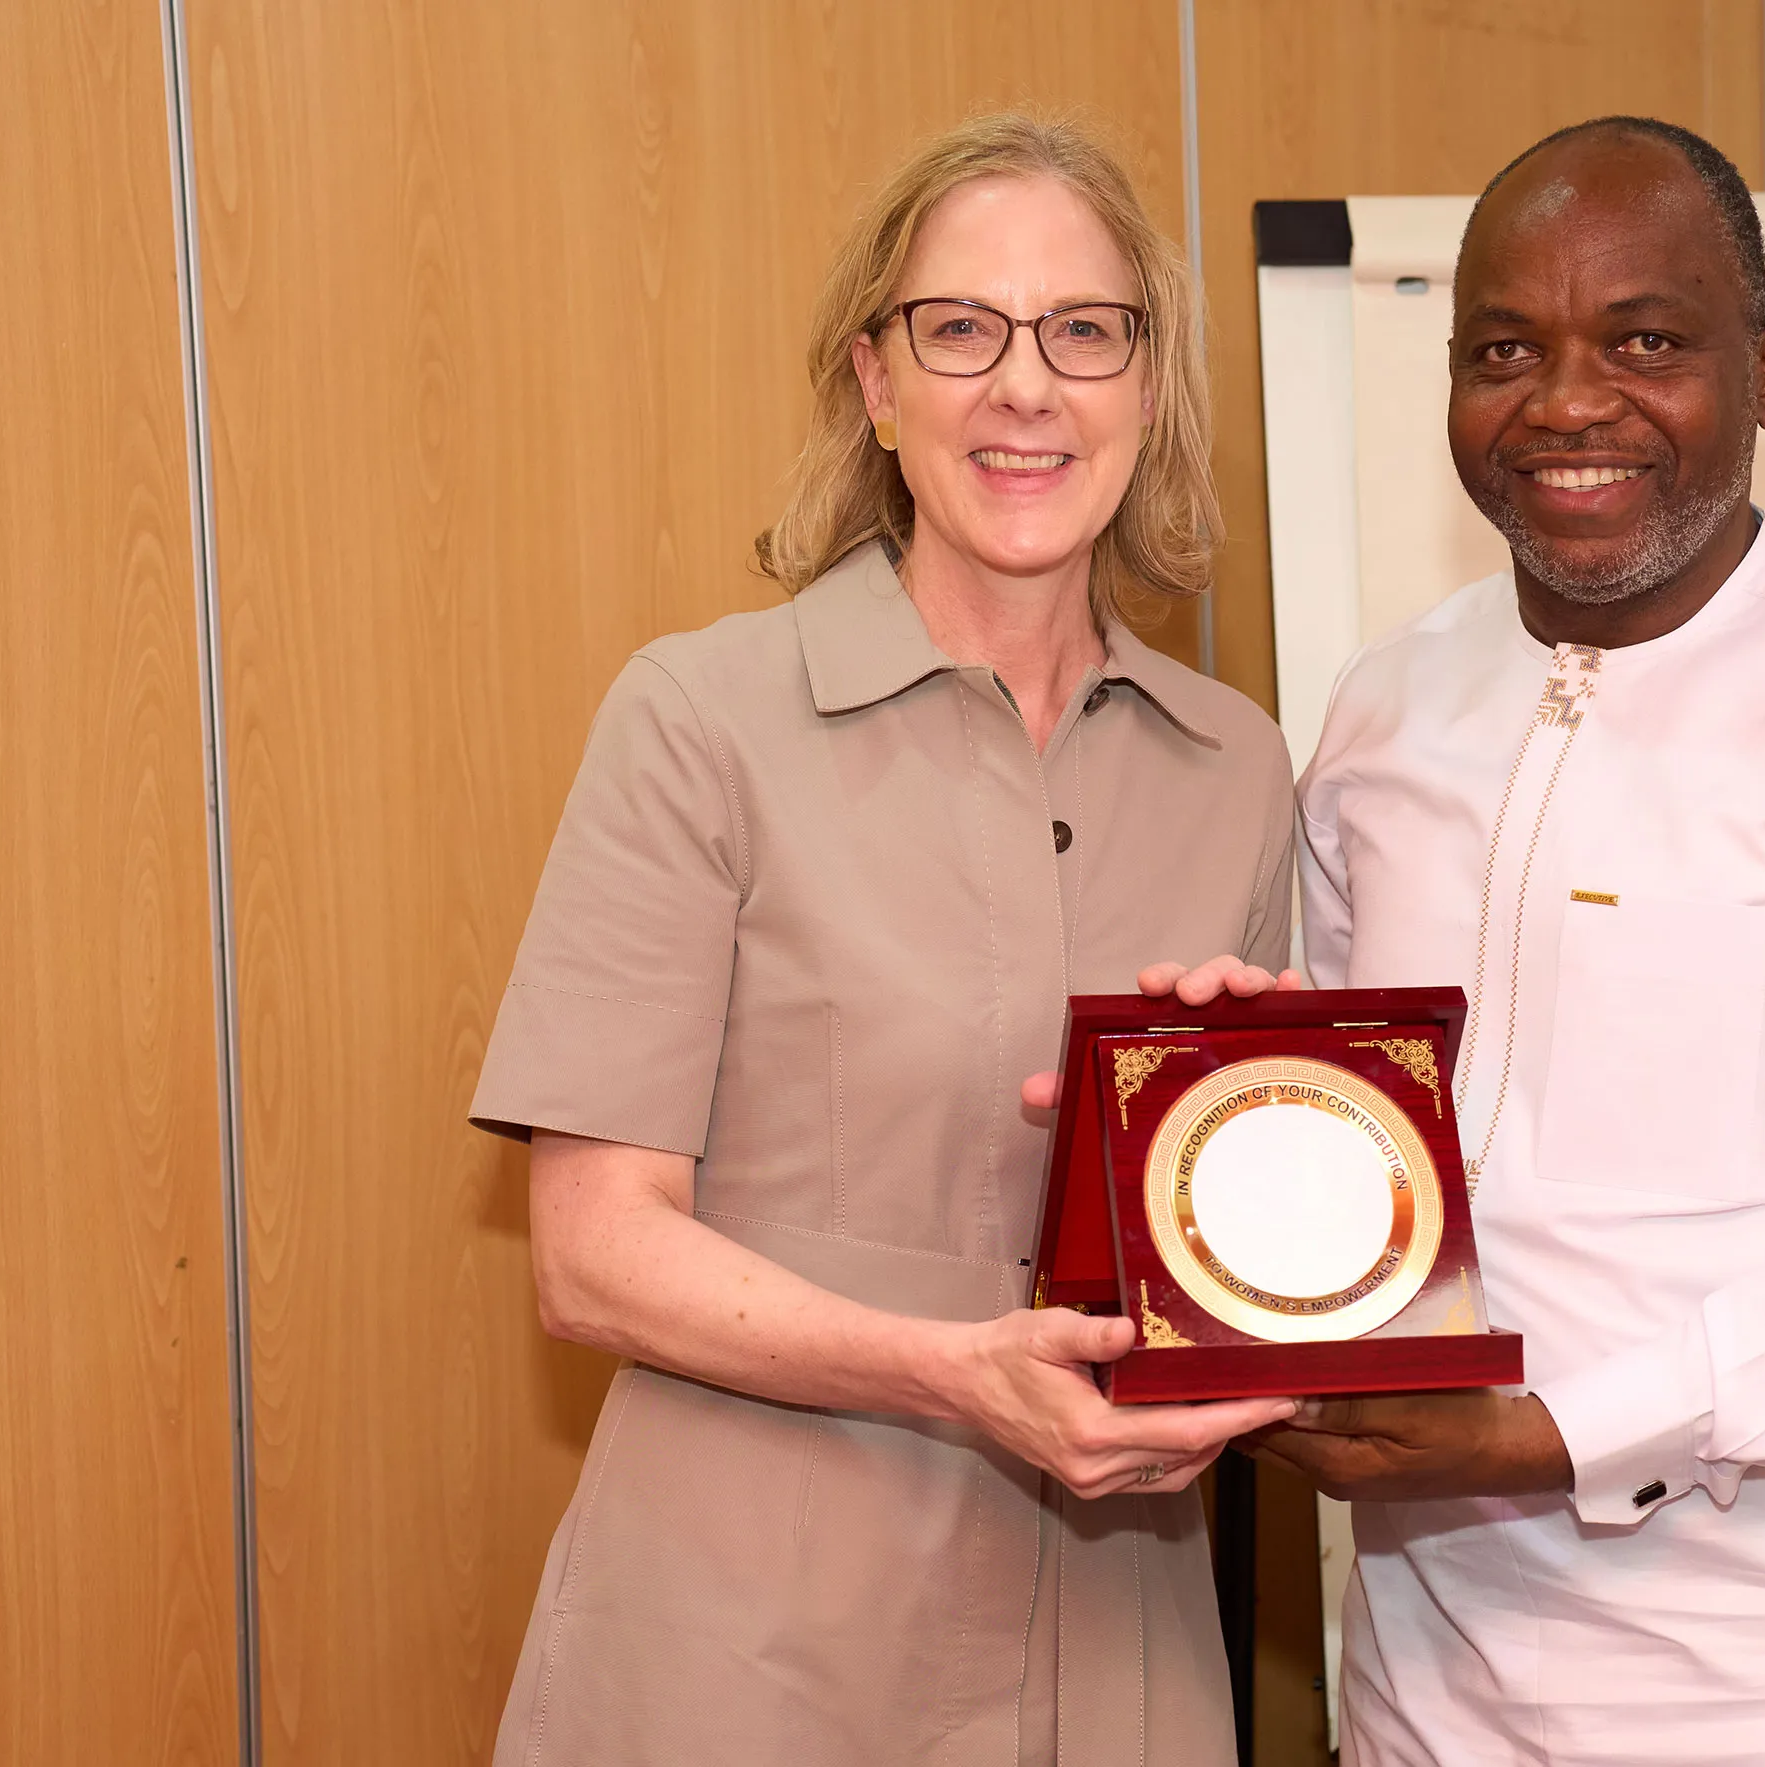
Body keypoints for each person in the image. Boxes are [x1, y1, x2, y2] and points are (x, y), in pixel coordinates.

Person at [466, 113, 1300, 1766]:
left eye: (1083, 331)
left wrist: (1255, 1144)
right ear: (874, 381)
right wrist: (955, 1372)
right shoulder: (699, 717)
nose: (1024, 386)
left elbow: (1230, 1273)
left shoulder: (1238, 765)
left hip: (1121, 1665)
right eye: (959, 329)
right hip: (754, 1662)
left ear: (1146, 384)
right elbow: (589, 1251)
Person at [1255, 116, 1765, 1766]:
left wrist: (1551, 1430)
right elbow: (1357, 1161)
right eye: (1503, 349)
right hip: (1435, 1696)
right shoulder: (1381, 714)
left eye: (1643, 340)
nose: (1566, 401)